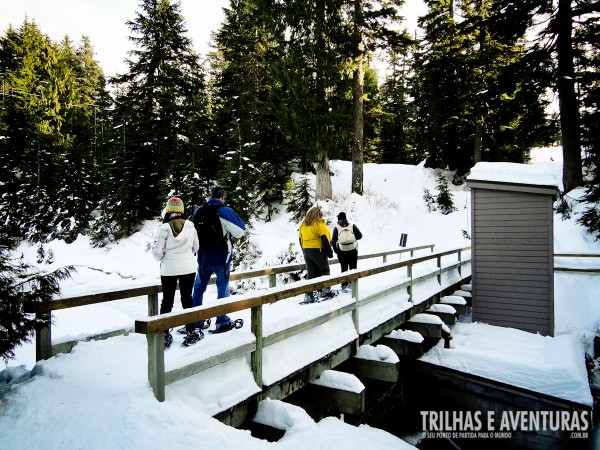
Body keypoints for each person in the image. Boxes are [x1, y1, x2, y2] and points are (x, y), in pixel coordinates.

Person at [191, 187, 246, 332]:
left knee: (199, 287)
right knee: (223, 287)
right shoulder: (225, 211)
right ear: (222, 197)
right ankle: (222, 321)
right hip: (221, 256)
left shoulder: (198, 211)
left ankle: (194, 321)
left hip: (203, 256)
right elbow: (240, 231)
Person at [151, 196, 201, 349]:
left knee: (167, 301)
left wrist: (164, 256)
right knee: (187, 299)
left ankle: (165, 332)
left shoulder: (163, 228)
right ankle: (191, 330)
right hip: (187, 268)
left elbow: (156, 252)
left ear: (168, 210)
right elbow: (196, 247)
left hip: (169, 269)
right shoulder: (190, 226)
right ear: (181, 210)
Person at [298, 206, 335, 303]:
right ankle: (326, 291)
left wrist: (304, 251)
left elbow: (300, 239)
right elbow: (324, 238)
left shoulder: (302, 225)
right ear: (318, 215)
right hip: (317, 251)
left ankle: (308, 295)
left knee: (311, 274)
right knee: (325, 270)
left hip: (306, 251)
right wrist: (329, 252)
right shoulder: (319, 223)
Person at [331, 212, 363, 293]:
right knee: (353, 267)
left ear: (338, 219)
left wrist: (336, 251)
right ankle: (353, 284)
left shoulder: (336, 228)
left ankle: (344, 285)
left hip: (342, 251)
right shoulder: (352, 226)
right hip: (353, 250)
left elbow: (333, 241)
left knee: (344, 268)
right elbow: (360, 236)